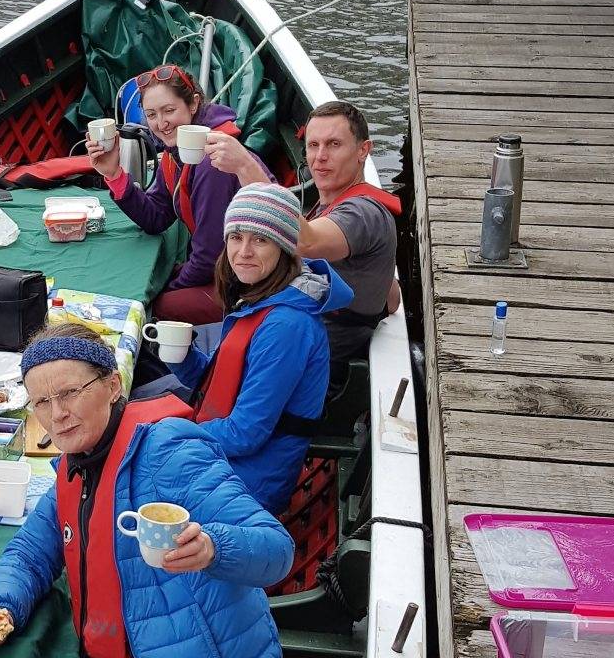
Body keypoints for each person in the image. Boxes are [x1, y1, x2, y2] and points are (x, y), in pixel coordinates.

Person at [0, 323, 295, 658]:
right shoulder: (76, 467)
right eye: (41, 402)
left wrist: (212, 547)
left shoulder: (171, 454)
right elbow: (29, 553)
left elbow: (277, 550)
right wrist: (0, 603)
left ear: (113, 384)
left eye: (69, 393)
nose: (57, 414)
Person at [168, 187, 351, 514]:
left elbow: (245, 433)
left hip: (247, 488)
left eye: (261, 239)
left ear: (283, 248)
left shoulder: (285, 326)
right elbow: (225, 384)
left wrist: (174, 436)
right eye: (236, 237)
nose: (244, 252)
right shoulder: (260, 301)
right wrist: (181, 358)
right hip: (225, 461)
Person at [205, 99, 401, 381]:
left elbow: (304, 242)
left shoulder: (362, 213)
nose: (320, 157)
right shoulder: (331, 206)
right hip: (283, 340)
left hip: (300, 362)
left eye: (334, 145)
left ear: (363, 150)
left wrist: (245, 165)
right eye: (313, 145)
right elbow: (391, 299)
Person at [84, 64, 272, 325]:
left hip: (254, 284)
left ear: (193, 104)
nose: (161, 124)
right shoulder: (177, 152)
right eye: (151, 114)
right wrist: (115, 175)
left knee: (153, 306)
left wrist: (167, 285)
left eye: (169, 111)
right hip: (223, 269)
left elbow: (208, 257)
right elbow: (157, 217)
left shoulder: (214, 161)